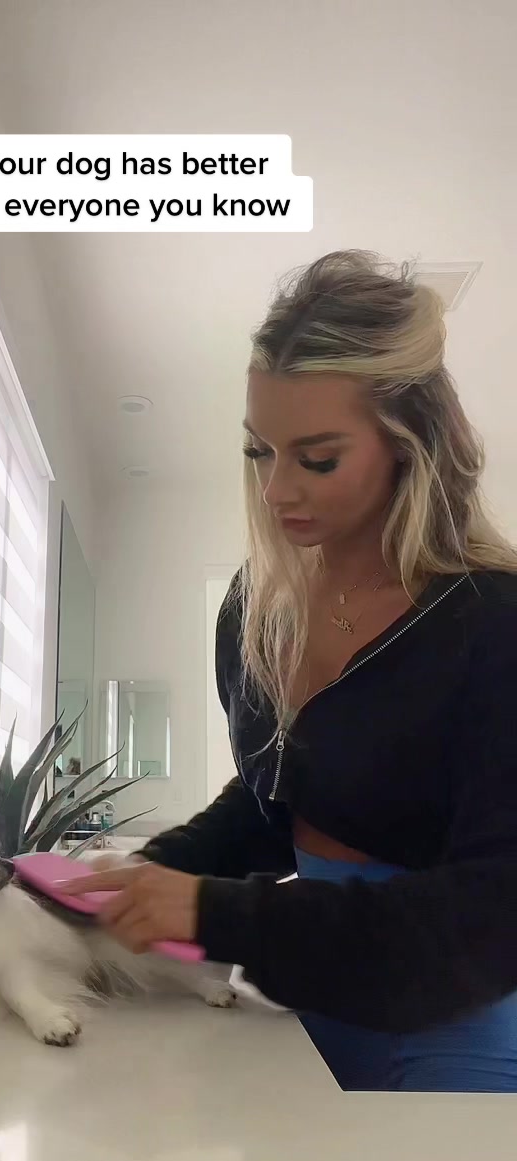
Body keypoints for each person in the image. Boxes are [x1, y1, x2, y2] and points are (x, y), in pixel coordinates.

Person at [69, 250, 517, 1092]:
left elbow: (489, 913)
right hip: (298, 1010)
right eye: (259, 450)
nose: (277, 491)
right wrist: (154, 873)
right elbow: (279, 801)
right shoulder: (257, 609)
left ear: (409, 444)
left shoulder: (494, 626)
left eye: (317, 459)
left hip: (454, 1021)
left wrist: (212, 911)